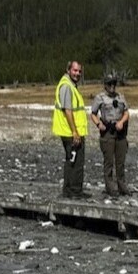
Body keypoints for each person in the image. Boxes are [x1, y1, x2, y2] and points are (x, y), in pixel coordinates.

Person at [51, 60, 89, 199]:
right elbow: (68, 110)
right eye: (75, 70)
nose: (77, 73)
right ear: (68, 70)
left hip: (68, 131)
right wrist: (75, 132)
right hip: (70, 132)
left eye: (79, 71)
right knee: (76, 162)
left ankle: (68, 190)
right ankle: (75, 191)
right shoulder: (67, 86)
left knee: (70, 160)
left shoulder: (69, 85)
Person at [89, 70, 131, 196]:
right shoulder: (100, 98)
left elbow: (126, 112)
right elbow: (93, 114)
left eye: (114, 83)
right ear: (105, 85)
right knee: (109, 162)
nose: (112, 86)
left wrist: (122, 122)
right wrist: (98, 124)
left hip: (120, 132)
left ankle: (122, 186)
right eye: (109, 83)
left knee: (120, 161)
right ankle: (110, 187)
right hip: (108, 131)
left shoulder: (120, 97)